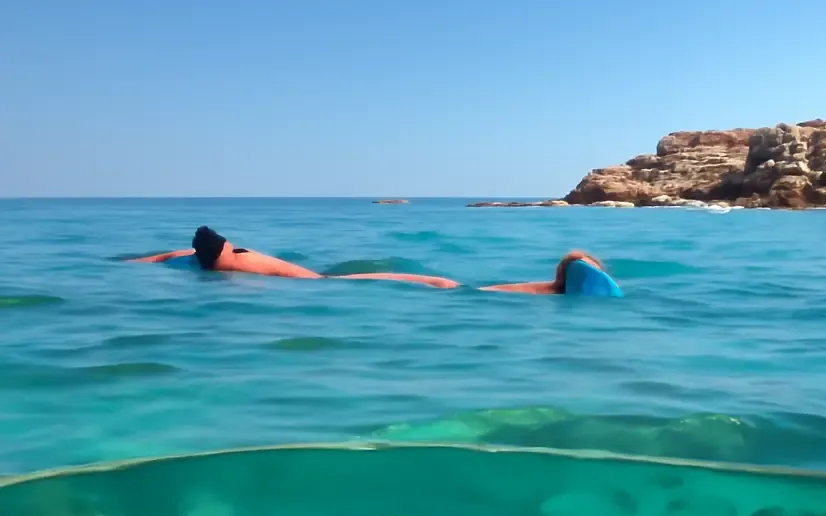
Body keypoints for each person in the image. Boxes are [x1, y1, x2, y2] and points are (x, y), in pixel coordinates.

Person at [127, 227, 611, 293]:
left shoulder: (209, 256)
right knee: (444, 287)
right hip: (322, 288)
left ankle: (553, 288)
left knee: (444, 287)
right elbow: (203, 245)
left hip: (323, 286)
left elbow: (201, 244)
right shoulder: (212, 257)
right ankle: (552, 288)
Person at [127, 226, 460, 287]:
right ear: (224, 248)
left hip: (307, 280)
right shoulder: (235, 259)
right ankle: (434, 282)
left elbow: (174, 254)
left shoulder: (208, 260)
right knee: (337, 281)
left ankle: (433, 282)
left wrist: (137, 263)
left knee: (336, 281)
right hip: (311, 281)